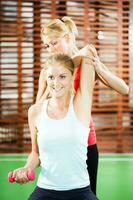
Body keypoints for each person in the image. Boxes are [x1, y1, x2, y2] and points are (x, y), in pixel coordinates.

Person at [35, 16, 129, 195]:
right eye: (47, 46)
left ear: (68, 38)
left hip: (86, 143)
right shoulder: (47, 71)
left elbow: (124, 89)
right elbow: (36, 110)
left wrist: (99, 69)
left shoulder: (87, 62)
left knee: (88, 194)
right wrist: (51, 85)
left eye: (54, 43)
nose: (50, 50)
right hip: (57, 142)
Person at [10, 52, 97, 200]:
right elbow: (35, 154)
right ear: (46, 78)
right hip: (45, 190)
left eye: (62, 76)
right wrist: (26, 168)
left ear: (72, 77)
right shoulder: (35, 112)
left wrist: (70, 58)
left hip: (80, 191)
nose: (55, 83)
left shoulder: (81, 105)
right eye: (51, 77)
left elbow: (88, 57)